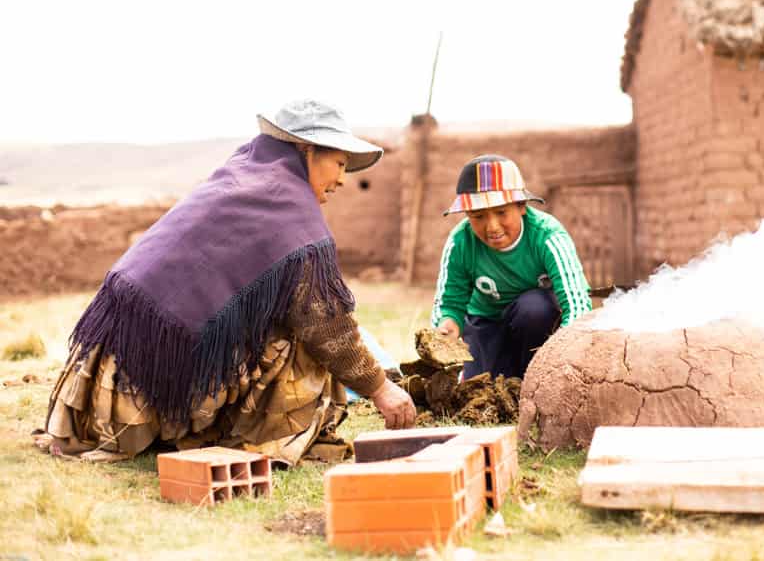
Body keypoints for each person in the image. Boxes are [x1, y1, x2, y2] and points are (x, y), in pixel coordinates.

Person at [40, 100, 415, 464]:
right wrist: (380, 388)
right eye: (339, 163)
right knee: (304, 347)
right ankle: (252, 437)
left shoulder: (240, 179)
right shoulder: (290, 214)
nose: (341, 180)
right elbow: (326, 326)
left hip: (98, 396)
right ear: (306, 149)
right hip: (139, 387)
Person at [431, 154, 591, 380]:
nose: (492, 227)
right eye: (478, 216)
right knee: (479, 388)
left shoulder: (547, 236)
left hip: (536, 326)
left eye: (501, 212)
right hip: (485, 322)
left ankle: (535, 377)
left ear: (522, 206)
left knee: (534, 308)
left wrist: (563, 354)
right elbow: (448, 304)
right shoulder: (460, 243)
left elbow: (576, 306)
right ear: (467, 215)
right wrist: (447, 327)